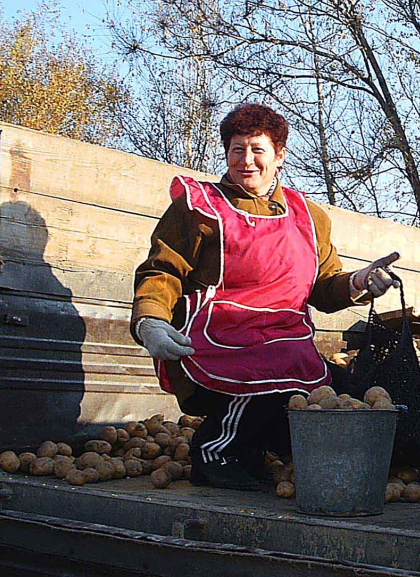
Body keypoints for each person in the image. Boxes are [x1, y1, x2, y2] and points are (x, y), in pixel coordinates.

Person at [131, 103, 399, 490]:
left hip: (287, 338)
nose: (246, 160)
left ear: (279, 156)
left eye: (257, 149)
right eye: (236, 149)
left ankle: (266, 445)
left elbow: (323, 288)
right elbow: (163, 270)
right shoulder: (199, 207)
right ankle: (216, 453)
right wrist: (150, 320)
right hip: (219, 337)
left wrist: (358, 281)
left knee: (349, 400)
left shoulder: (308, 215)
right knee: (264, 375)